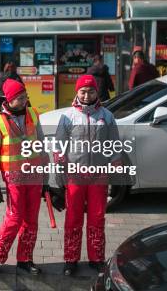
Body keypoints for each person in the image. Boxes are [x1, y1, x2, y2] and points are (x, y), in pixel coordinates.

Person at [51, 75, 122, 276]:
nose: (87, 94)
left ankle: (96, 258)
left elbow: (114, 144)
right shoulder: (68, 116)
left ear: (96, 92)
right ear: (77, 92)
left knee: (97, 217)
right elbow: (59, 147)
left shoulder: (107, 116)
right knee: (73, 218)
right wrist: (60, 173)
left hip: (99, 176)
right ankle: (70, 259)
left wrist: (116, 166)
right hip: (75, 175)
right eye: (82, 91)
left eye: (91, 91)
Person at [0, 78, 51, 280]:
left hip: (34, 175)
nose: (24, 101)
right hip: (14, 177)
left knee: (31, 221)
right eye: (19, 98)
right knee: (14, 219)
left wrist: (47, 178)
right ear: (9, 99)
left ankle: (24, 259)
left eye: (25, 97)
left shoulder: (32, 114)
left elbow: (41, 144)